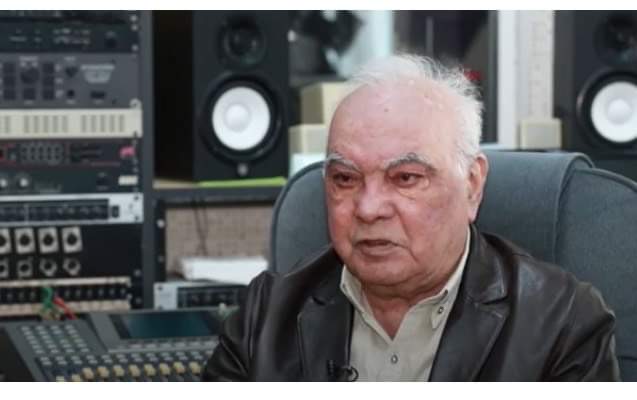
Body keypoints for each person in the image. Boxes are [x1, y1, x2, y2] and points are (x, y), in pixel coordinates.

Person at [202, 54, 620, 381]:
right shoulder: (266, 316)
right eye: (345, 179)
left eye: (405, 178)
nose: (369, 208)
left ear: (472, 184)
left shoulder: (563, 324)